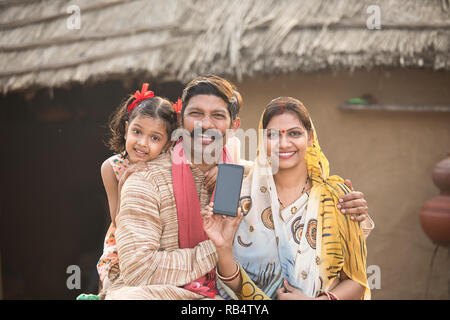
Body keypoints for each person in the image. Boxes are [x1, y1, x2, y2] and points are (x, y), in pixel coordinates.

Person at [101, 76, 371, 300]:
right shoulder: (146, 179)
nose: (206, 124)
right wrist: (217, 248)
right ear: (181, 120)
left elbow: (303, 226)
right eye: (196, 114)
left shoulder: (240, 177)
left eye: (217, 116)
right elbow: (139, 269)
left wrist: (346, 204)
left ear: (234, 127)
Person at [203, 97, 373, 300]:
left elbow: (356, 282)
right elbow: (229, 283)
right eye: (273, 135)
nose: (283, 144)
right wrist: (223, 248)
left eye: (294, 133)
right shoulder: (238, 194)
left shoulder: (336, 197)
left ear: (310, 138)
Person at [96, 83, 187, 290]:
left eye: (155, 138)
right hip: (124, 246)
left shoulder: (170, 166)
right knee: (116, 286)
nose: (143, 143)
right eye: (137, 131)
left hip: (162, 244)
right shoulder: (112, 167)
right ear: (127, 127)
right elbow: (118, 220)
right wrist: (126, 183)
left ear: (166, 144)